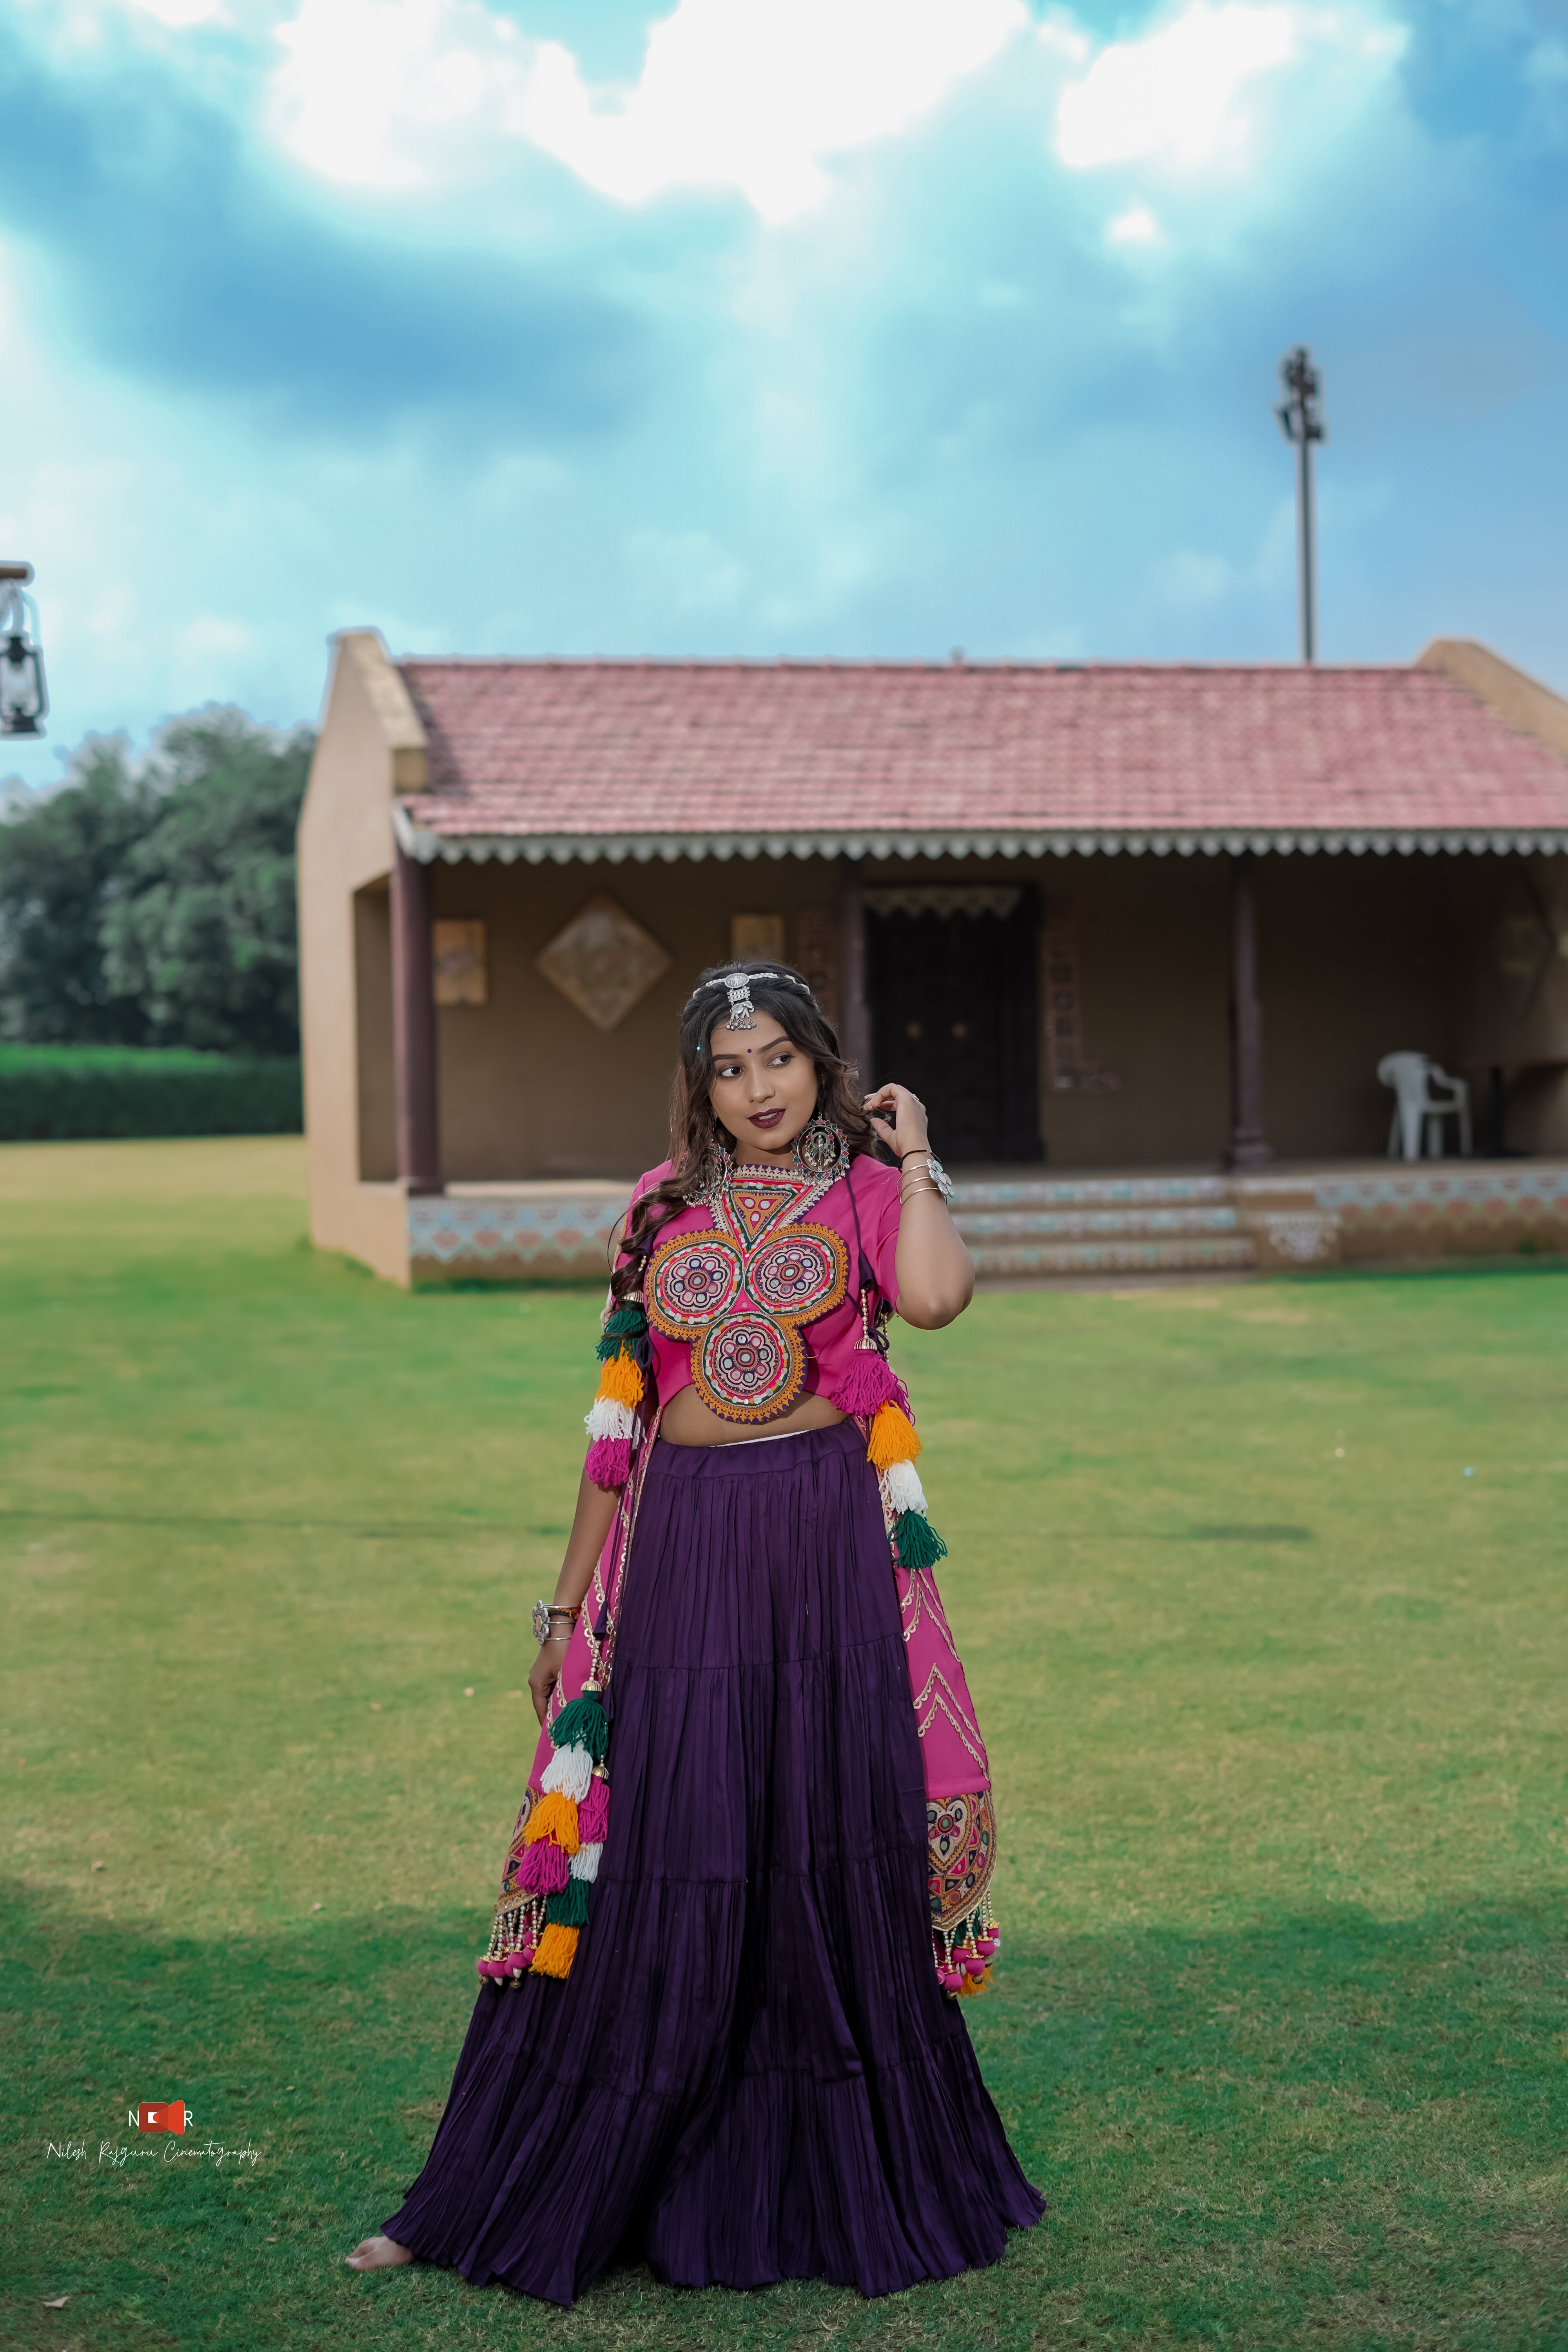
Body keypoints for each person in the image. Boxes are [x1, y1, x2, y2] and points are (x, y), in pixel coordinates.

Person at [347, 958, 1043, 2303]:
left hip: (824, 1545)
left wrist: (923, 1158)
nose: (756, 1089)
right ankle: (519, 2182)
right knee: (656, 1841)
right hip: (683, 1547)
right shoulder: (659, 1210)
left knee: (817, 1836)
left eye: (777, 1059)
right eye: (728, 1070)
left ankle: (827, 2174)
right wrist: (562, 1607)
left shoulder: (869, 1191)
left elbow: (943, 1300)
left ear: (819, 1062)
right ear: (699, 1089)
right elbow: (615, 1428)